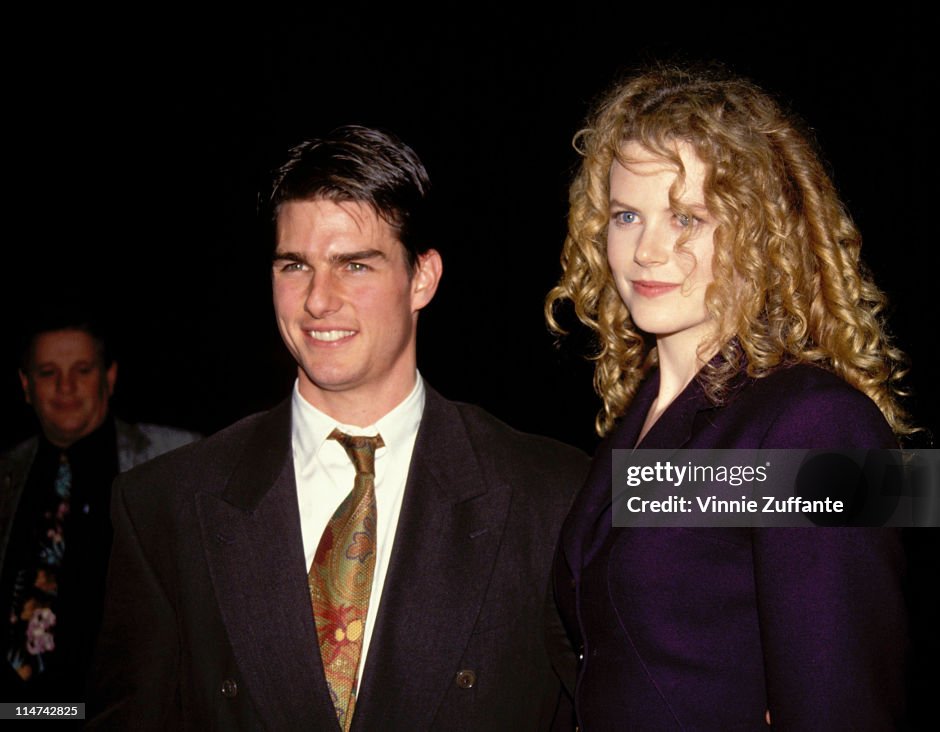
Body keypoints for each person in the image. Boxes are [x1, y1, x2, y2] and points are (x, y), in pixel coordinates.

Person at [88, 125, 589, 731]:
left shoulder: (550, 497)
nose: (319, 300)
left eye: (355, 265)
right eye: (295, 265)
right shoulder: (164, 507)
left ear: (422, 279)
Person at [545, 64, 911, 730]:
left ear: (758, 234)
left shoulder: (813, 423)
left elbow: (839, 706)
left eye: (688, 218)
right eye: (628, 214)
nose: (648, 251)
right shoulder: (641, 416)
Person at [1, 312, 201, 706]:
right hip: (15, 712)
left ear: (108, 377)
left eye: (82, 370)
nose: (66, 387)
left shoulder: (179, 460)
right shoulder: (6, 474)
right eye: (47, 372)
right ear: (25, 385)